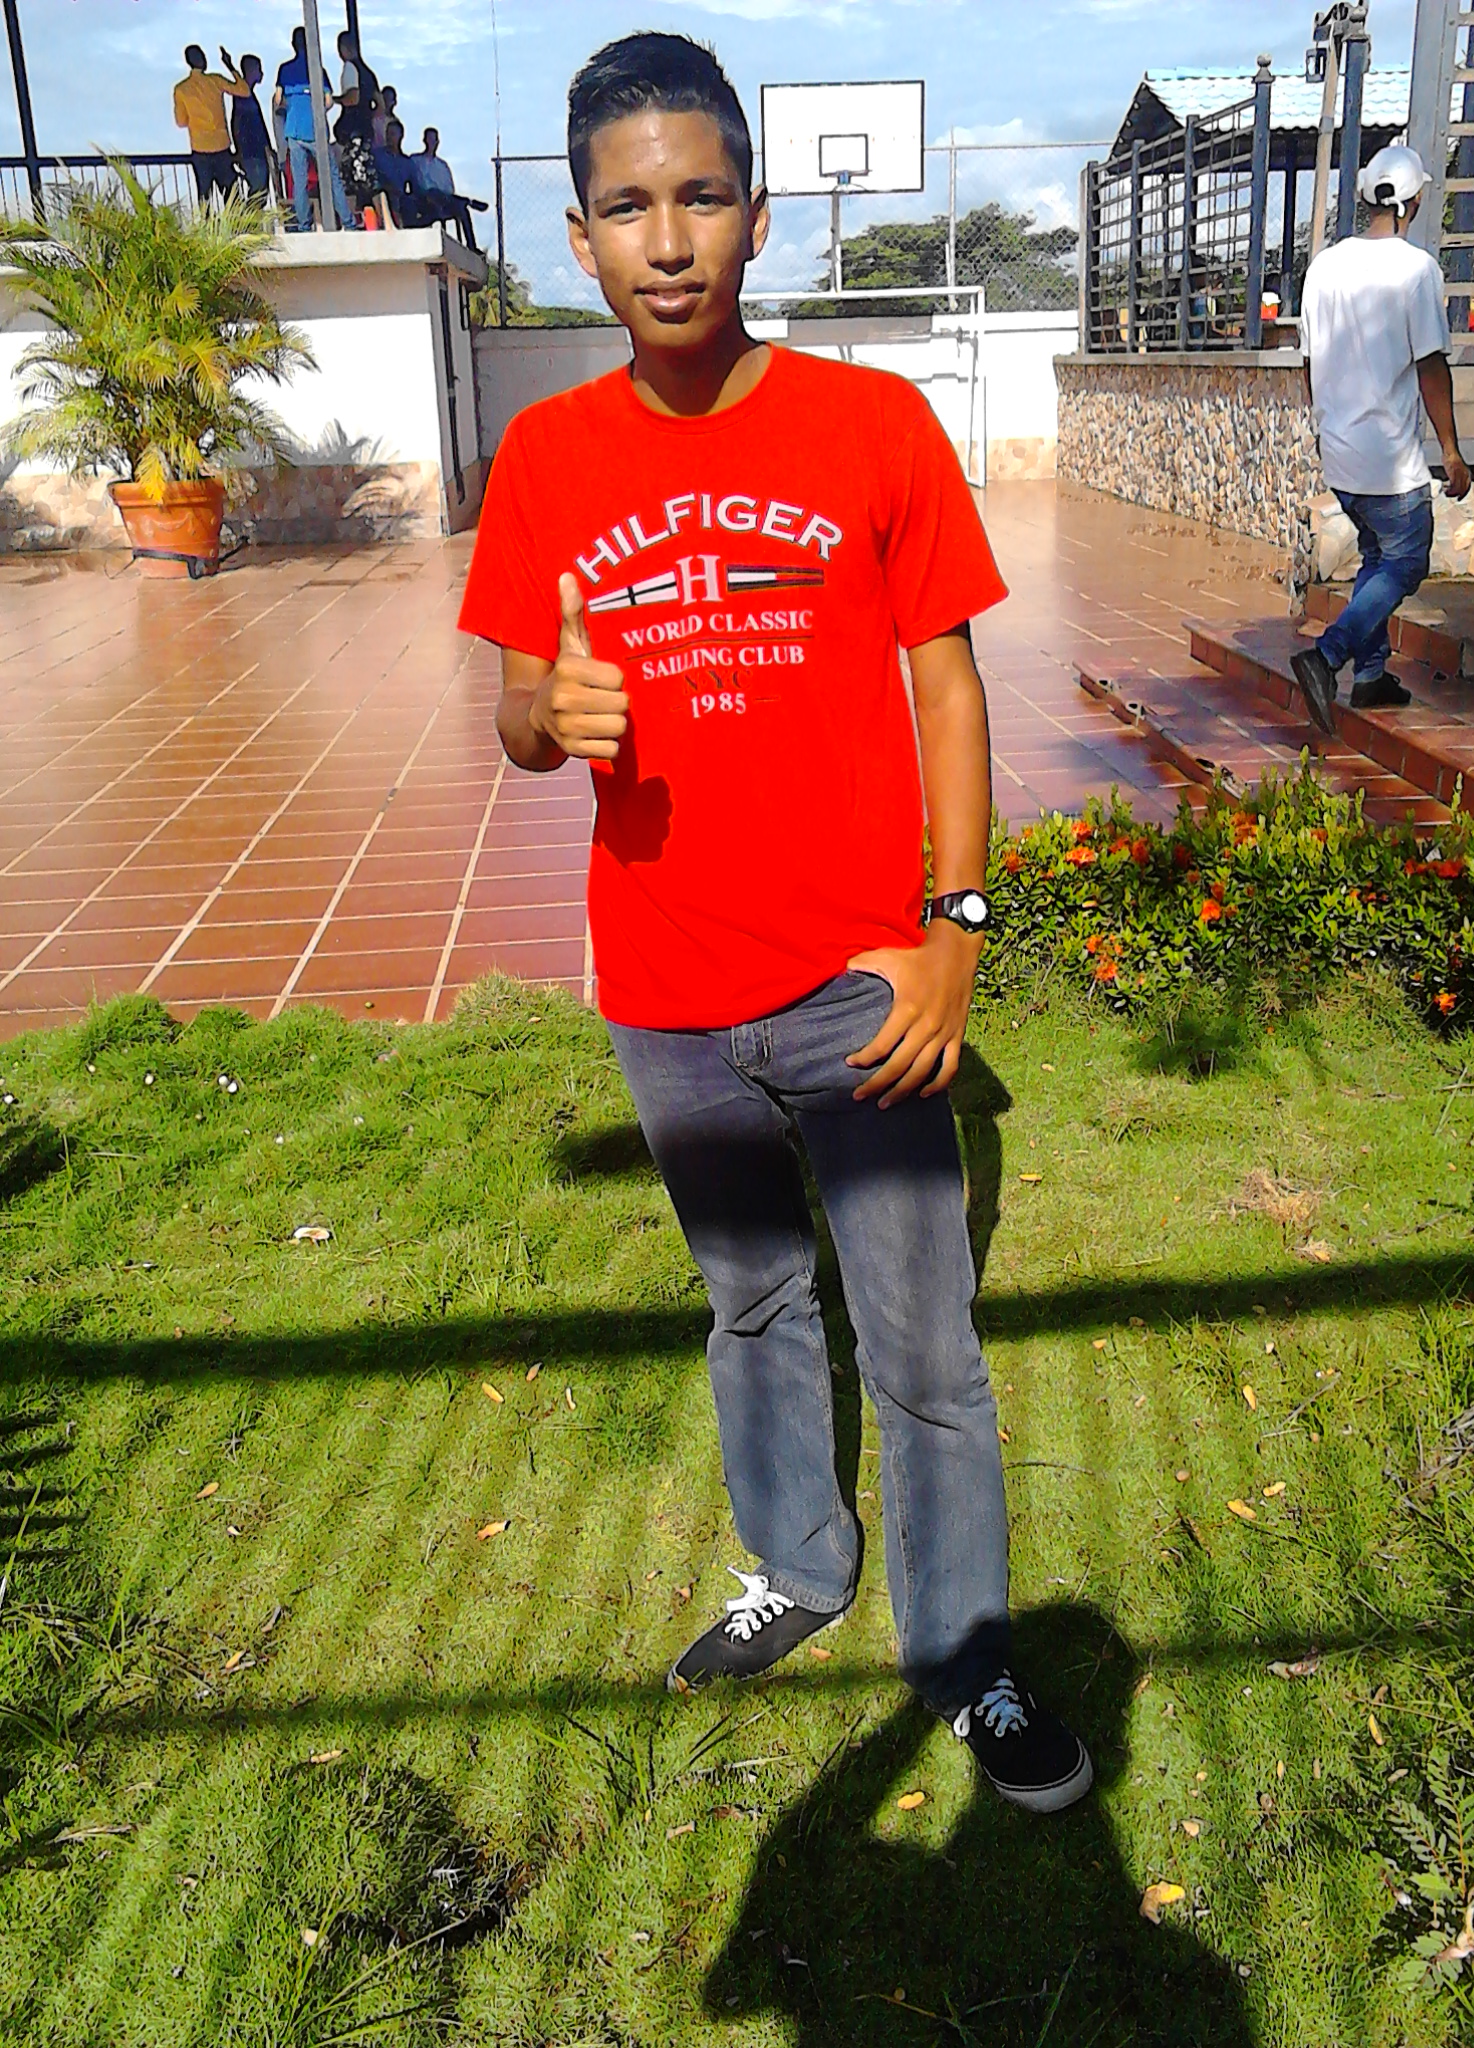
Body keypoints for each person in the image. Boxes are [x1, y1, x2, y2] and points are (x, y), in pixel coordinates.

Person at [458, 31, 1094, 1817]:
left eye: (702, 197)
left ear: (757, 214)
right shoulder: (546, 455)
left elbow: (947, 684)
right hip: (664, 992)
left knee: (924, 1347)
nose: (668, 241)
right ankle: (800, 1561)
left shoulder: (870, 427)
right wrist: (548, 711)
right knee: (749, 1303)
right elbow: (514, 711)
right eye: (627, 208)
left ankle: (965, 1654)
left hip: (856, 983)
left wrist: (955, 930)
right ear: (578, 236)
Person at [1291, 145, 1472, 735]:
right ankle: (1327, 657)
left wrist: (1324, 427)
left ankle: (1370, 676)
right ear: (1412, 202)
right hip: (1390, 460)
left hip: (1341, 455)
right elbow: (1431, 366)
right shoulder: (1416, 271)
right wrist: (1451, 450)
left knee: (1377, 555)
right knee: (1407, 558)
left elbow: (1308, 362)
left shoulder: (1324, 267)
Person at [273, 25, 354, 231]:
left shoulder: (285, 70)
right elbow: (328, 101)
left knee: (299, 182)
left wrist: (292, 107)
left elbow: (278, 100)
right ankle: (348, 223)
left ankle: (304, 226)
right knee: (332, 178)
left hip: (294, 129)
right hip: (316, 130)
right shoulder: (318, 70)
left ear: (293, 45)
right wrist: (315, 110)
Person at [172, 43, 249, 204]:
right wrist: (230, 66)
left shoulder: (181, 89)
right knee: (232, 198)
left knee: (205, 199)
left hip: (200, 149)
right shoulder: (215, 80)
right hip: (221, 147)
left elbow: (181, 122)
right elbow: (244, 90)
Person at [407, 127, 483, 248]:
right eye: (429, 139)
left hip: (444, 199)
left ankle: (472, 245)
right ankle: (469, 201)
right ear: (424, 140)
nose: (431, 142)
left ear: (438, 142)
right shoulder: (415, 160)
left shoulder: (442, 165)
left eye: (434, 140)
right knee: (434, 193)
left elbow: (449, 189)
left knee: (461, 208)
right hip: (424, 198)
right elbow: (416, 183)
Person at [334, 30, 381, 209]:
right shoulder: (368, 73)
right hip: (365, 132)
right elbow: (380, 104)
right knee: (368, 181)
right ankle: (379, 216)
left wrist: (334, 100)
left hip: (353, 134)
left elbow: (353, 98)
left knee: (351, 181)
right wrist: (367, 116)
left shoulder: (350, 68)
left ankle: (353, 218)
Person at [230, 53, 276, 202]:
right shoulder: (243, 96)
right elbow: (238, 124)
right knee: (258, 193)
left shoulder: (246, 95)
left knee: (260, 192)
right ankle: (248, 216)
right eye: (258, 69)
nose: (261, 73)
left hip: (255, 152)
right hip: (252, 152)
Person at [373, 118, 414, 225]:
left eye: (392, 134)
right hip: (382, 195)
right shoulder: (378, 156)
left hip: (401, 199)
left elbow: (413, 186)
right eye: (387, 134)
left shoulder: (407, 162)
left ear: (401, 136)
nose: (389, 137)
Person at [372, 83, 400, 152]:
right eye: (385, 98)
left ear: (394, 102)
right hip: (372, 151)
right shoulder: (372, 116)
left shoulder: (395, 121)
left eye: (389, 99)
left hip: (386, 154)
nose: (387, 102)